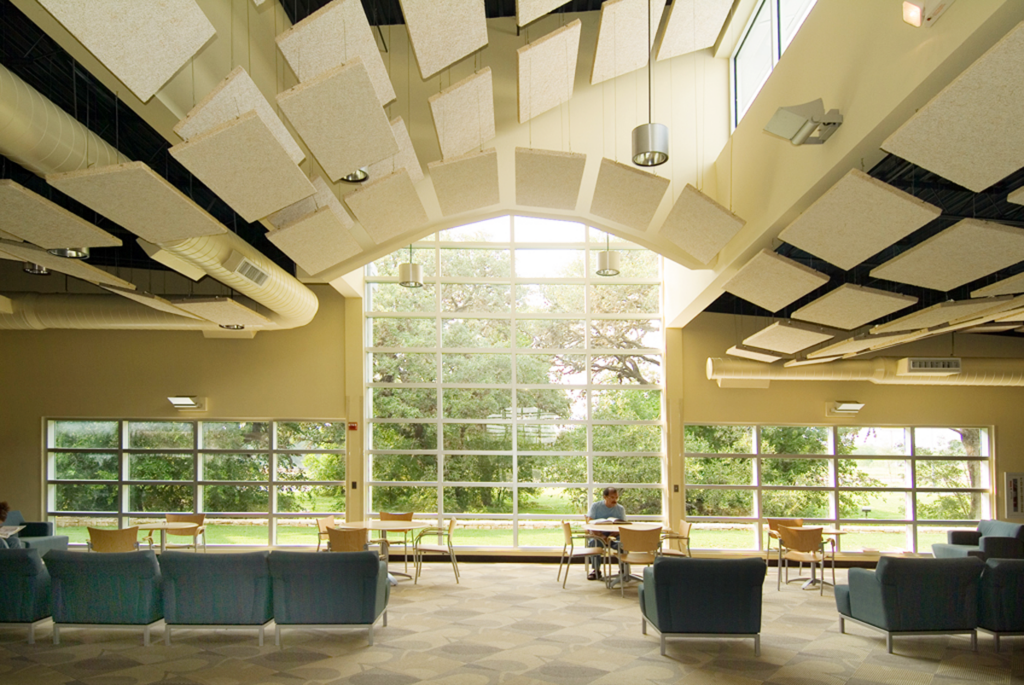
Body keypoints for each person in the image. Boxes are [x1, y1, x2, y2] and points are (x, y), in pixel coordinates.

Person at [584, 487, 626, 581]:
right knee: (593, 544)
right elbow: (590, 522)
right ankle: (596, 570)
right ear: (605, 497)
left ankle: (623, 570)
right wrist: (601, 536)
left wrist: (611, 536)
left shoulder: (620, 509)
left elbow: (622, 525)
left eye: (616, 497)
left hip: (614, 535)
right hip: (598, 535)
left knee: (623, 543)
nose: (614, 500)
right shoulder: (596, 506)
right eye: (612, 497)